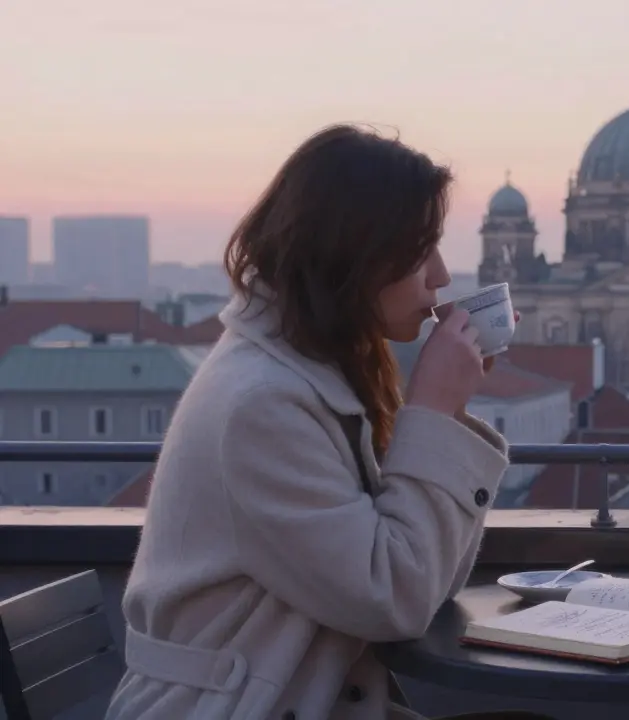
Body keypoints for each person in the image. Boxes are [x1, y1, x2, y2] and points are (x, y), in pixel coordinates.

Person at [105, 125, 554, 720]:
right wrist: (435, 412)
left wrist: (448, 413)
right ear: (358, 255)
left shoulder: (303, 372)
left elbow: (421, 582)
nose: (442, 277)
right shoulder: (263, 404)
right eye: (423, 250)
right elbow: (394, 600)